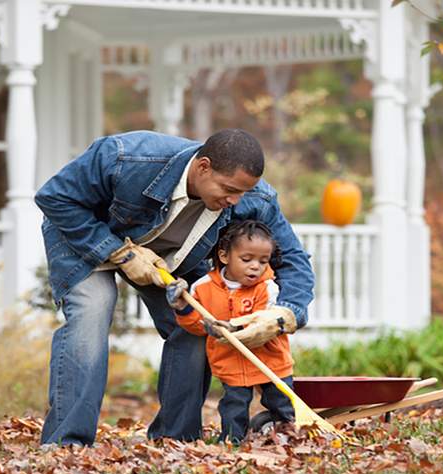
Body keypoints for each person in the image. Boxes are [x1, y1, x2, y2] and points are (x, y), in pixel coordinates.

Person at [34, 129, 314, 446]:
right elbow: (55, 196)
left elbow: (291, 256)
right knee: (93, 310)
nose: (236, 200)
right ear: (203, 167)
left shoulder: (253, 197)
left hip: (172, 259)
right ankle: (67, 443)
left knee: (201, 322)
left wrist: (284, 315)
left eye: (242, 192)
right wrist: (119, 252)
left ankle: (174, 438)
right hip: (88, 239)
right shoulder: (125, 157)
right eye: (229, 189)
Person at [165, 220, 295, 443]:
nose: (256, 266)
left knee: (281, 402)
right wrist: (183, 308)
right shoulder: (203, 288)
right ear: (224, 256)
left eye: (263, 261)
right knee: (234, 406)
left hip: (270, 360)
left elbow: (260, 320)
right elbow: (196, 326)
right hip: (231, 362)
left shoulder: (267, 287)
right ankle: (233, 441)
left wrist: (234, 325)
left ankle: (289, 434)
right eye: (247, 259)